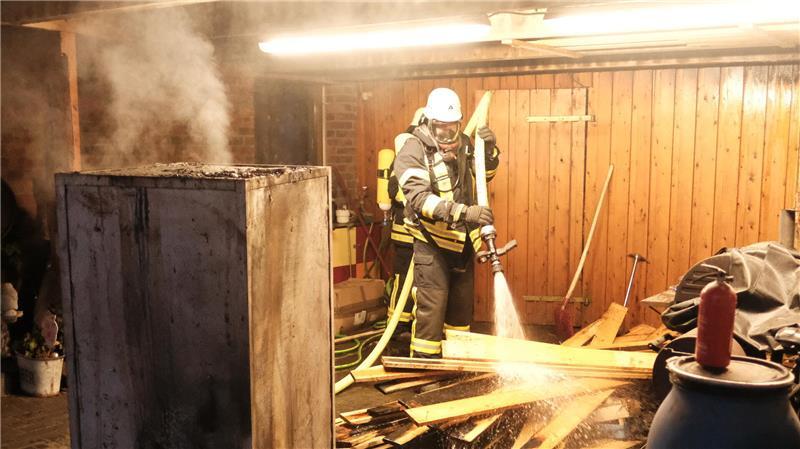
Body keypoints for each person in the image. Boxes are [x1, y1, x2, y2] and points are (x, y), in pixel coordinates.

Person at [393, 88, 499, 358]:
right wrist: (466, 214)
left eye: (452, 129)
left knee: (460, 313)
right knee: (431, 310)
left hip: (462, 246)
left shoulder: (463, 142)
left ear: (459, 124)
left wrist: (489, 153)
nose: (447, 137)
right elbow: (420, 200)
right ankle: (424, 367)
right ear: (429, 122)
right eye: (440, 129)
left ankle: (456, 364)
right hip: (432, 246)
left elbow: (482, 177)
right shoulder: (412, 149)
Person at [385, 108, 425, 331]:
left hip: (416, 235)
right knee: (403, 282)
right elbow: (395, 190)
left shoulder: (410, 147)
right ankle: (396, 328)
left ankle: (406, 327)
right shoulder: (409, 149)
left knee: (416, 283)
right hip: (406, 234)